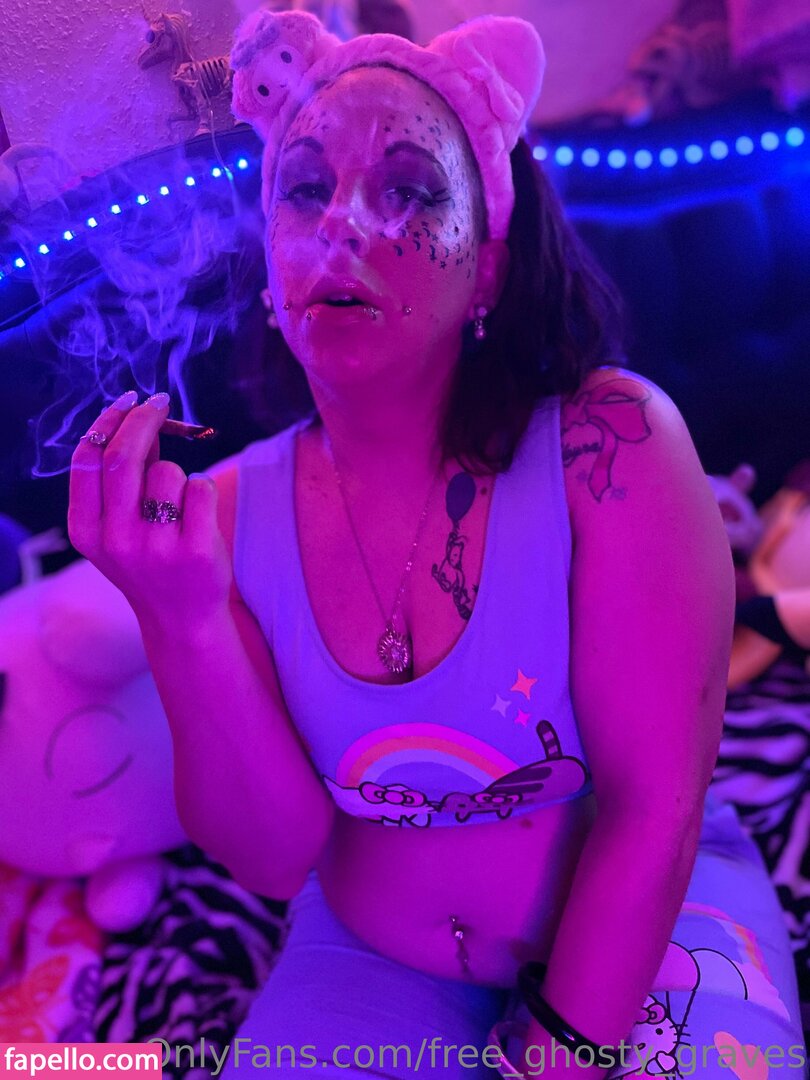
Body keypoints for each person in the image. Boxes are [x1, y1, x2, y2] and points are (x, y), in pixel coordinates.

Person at [67, 9, 807, 1078]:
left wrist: (553, 1059)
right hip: (371, 959)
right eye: (304, 189)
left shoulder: (611, 446)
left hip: (653, 930)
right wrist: (178, 618)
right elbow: (272, 858)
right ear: (271, 269)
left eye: (408, 190)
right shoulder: (220, 518)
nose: (342, 224)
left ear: (490, 270)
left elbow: (655, 808)